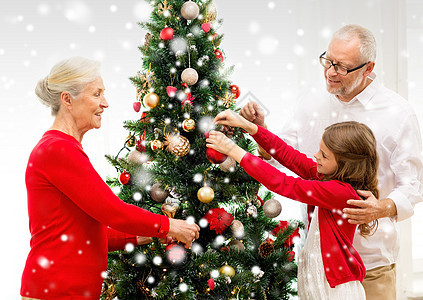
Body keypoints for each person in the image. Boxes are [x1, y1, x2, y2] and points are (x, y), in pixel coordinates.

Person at [240, 24, 423, 299]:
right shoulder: (311, 100)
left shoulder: (398, 114)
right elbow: (287, 156)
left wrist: (380, 208)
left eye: (341, 67)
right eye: (328, 61)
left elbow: (413, 185)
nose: (330, 72)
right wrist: (261, 133)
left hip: (371, 262)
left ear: (368, 68)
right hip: (318, 261)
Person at [20, 57, 200, 300]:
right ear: (67, 99)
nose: (105, 103)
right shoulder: (57, 149)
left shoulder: (61, 148)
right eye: (96, 94)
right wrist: (171, 225)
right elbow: (113, 211)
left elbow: (85, 235)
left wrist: (152, 234)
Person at [207, 110, 380, 299]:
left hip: (334, 290)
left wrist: (233, 151)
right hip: (319, 281)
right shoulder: (328, 178)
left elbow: (284, 183)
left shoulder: (340, 192)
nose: (316, 155)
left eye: (324, 155)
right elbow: (289, 156)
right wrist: (249, 126)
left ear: (345, 164)